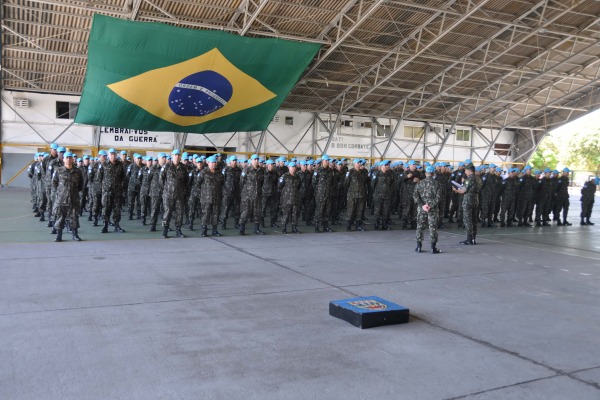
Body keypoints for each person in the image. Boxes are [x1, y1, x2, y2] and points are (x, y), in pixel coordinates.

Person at [51, 151, 84, 242]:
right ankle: (59, 235)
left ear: (73, 159)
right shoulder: (59, 170)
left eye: (70, 158)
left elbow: (81, 184)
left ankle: (75, 234)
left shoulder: (77, 171)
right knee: (60, 217)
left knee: (74, 217)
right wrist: (60, 192)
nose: (69, 160)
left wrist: (74, 191)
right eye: (67, 158)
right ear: (64, 159)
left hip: (74, 198)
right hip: (62, 198)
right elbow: (54, 183)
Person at [160, 149, 188, 238]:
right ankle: (165, 231)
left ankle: (178, 231)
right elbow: (161, 180)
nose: (177, 156)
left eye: (178, 155)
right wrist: (166, 190)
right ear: (172, 156)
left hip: (179, 195)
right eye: (175, 155)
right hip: (168, 195)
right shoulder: (166, 166)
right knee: (167, 213)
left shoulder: (183, 167)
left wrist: (183, 191)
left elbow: (186, 181)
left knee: (180, 213)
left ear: (180, 157)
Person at [414, 165, 441, 253]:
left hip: (421, 209)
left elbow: (415, 195)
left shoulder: (419, 183)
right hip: (432, 209)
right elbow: (438, 197)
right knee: (432, 227)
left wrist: (422, 205)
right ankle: (433, 248)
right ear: (433, 174)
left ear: (426, 173)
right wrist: (430, 205)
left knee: (420, 226)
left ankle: (419, 247)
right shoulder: (437, 184)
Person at [453, 161, 481, 245]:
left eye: (466, 170)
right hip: (475, 199)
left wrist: (456, 190)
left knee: (467, 219)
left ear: (469, 171)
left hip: (468, 200)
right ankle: (473, 238)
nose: (465, 172)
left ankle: (469, 239)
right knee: (474, 219)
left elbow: (463, 191)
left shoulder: (470, 179)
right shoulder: (478, 178)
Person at [238, 154, 265, 235]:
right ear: (251, 160)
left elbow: (261, 182)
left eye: (257, 159)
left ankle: (256, 229)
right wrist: (245, 192)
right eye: (255, 159)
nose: (256, 161)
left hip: (257, 195)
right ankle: (242, 228)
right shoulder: (246, 170)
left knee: (257, 212)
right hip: (247, 195)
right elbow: (241, 182)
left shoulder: (261, 170)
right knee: (245, 212)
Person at [101, 148, 126, 233]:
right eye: (111, 154)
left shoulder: (120, 165)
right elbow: (99, 178)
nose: (113, 156)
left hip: (117, 192)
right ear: (108, 155)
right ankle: (105, 225)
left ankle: (117, 226)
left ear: (116, 155)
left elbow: (123, 177)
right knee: (106, 209)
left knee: (117, 209)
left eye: (114, 154)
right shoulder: (104, 165)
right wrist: (104, 188)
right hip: (107, 192)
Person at [198, 155, 224, 237]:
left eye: (215, 162)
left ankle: (214, 230)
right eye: (212, 162)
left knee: (215, 214)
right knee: (206, 214)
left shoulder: (219, 172)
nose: (213, 164)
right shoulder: (203, 172)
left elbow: (222, 184)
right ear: (208, 163)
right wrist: (202, 194)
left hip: (216, 197)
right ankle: (204, 230)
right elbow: (198, 183)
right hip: (206, 198)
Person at [278, 161, 301, 234]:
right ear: (289, 167)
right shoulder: (284, 176)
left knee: (295, 214)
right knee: (286, 213)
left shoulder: (297, 177)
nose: (293, 168)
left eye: (294, 167)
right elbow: (279, 185)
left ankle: (294, 227)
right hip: (286, 198)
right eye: (292, 167)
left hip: (295, 198)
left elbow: (299, 186)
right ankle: (284, 227)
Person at [344, 158, 368, 231]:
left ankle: (358, 226)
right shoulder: (350, 172)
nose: (359, 164)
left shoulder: (363, 172)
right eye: (358, 163)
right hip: (352, 195)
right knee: (351, 211)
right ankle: (349, 225)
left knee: (359, 211)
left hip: (361, 194)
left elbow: (365, 182)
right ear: (354, 164)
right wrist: (348, 194)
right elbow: (346, 184)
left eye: (360, 163)